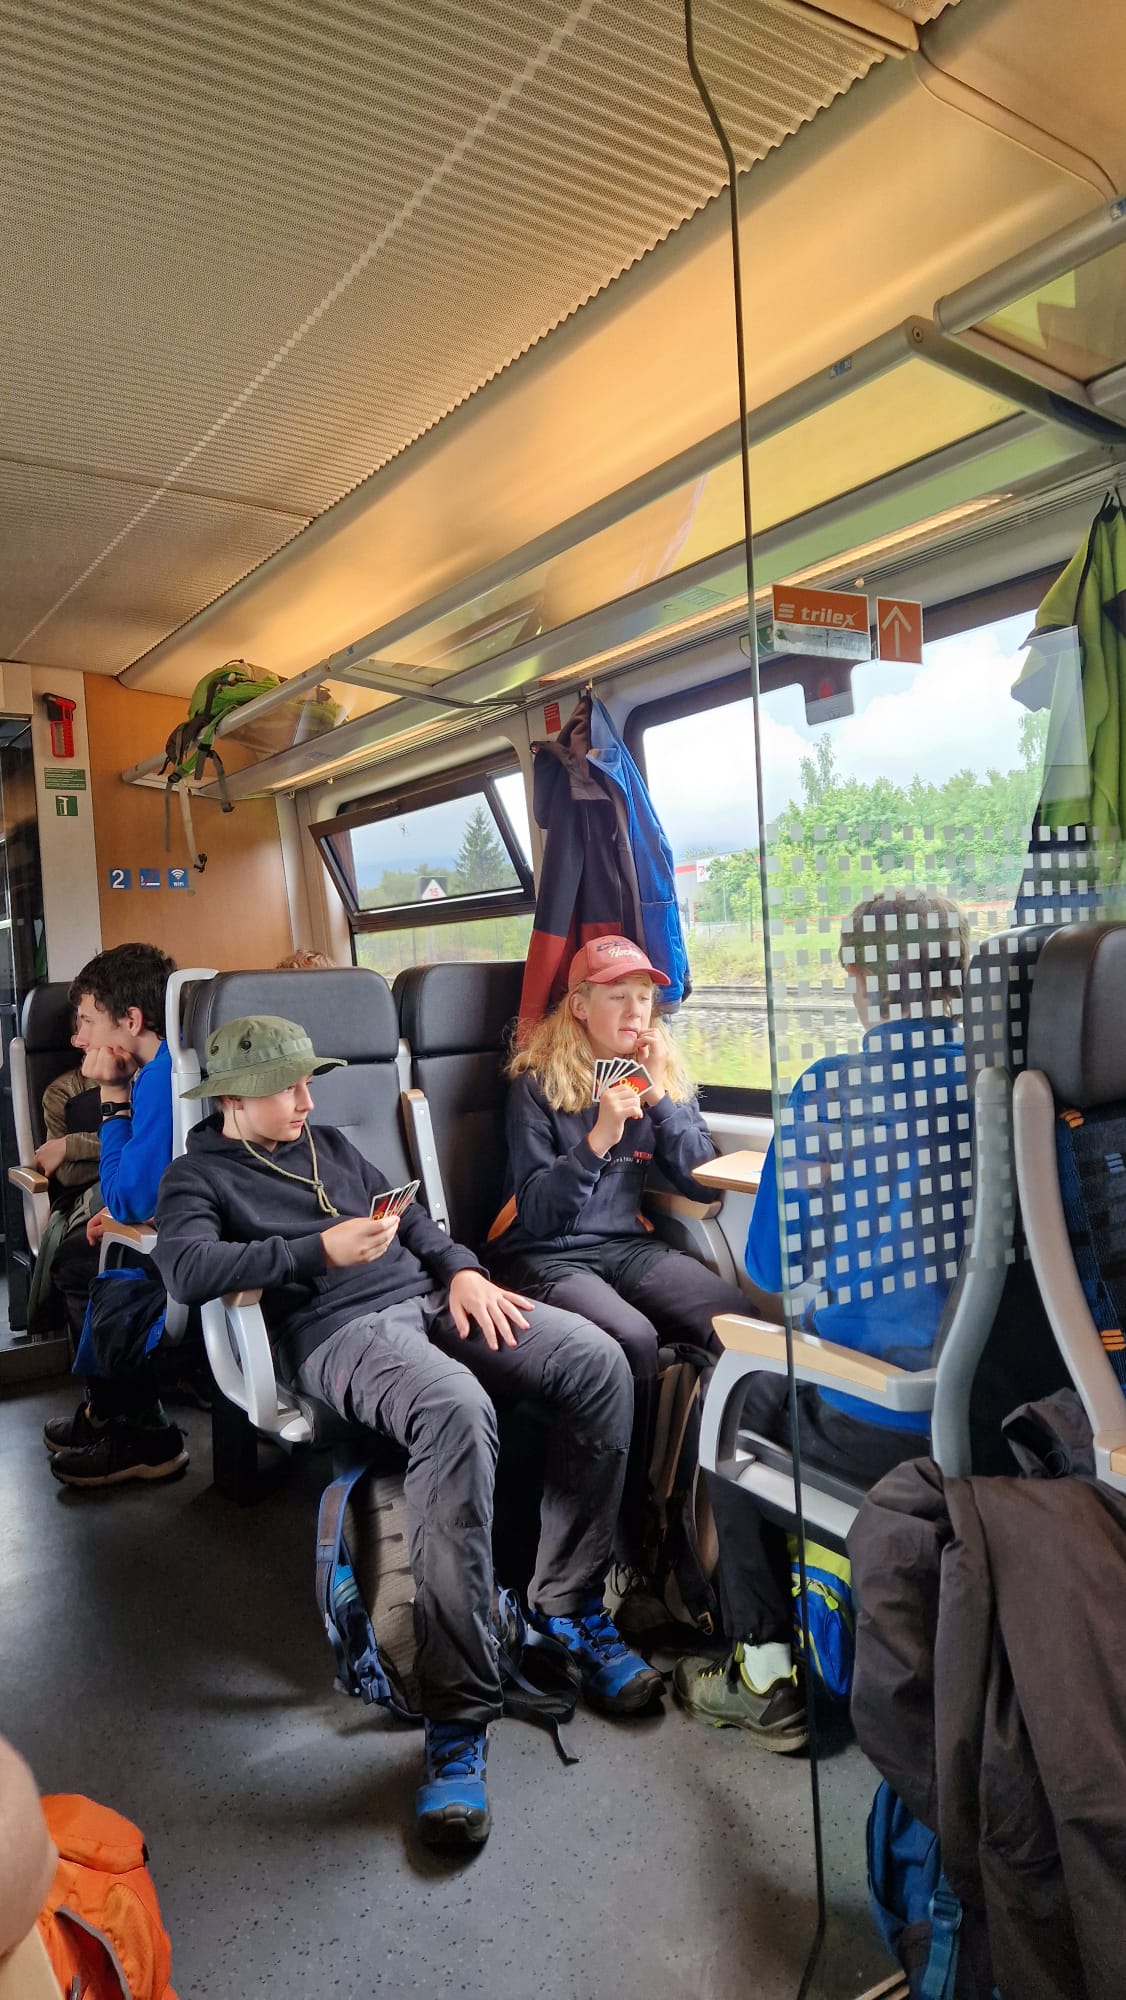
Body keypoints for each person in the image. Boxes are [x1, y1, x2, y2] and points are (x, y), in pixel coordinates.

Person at [152, 1014, 662, 1850]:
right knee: (456, 1408)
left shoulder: (330, 1147)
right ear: (233, 1099)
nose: (307, 1101)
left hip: (430, 1299)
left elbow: (415, 1221)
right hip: (337, 1332)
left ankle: (566, 1605)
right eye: (288, 1088)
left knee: (597, 1361)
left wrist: (462, 1271)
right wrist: (317, 1252)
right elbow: (186, 1270)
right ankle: (457, 1713)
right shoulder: (196, 1176)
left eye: (308, 1083)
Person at [674, 888, 972, 1750]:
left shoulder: (826, 1094)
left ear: (858, 979)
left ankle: (764, 1671)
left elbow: (770, 1270)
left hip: (877, 1425)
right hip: (991, 1417)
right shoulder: (1011, 1089)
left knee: (732, 1396)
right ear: (959, 974)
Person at [491, 934, 749, 1562]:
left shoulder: (653, 1078)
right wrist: (599, 1138)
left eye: (645, 997)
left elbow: (701, 1182)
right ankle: (624, 1525)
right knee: (632, 1339)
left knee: (736, 1320)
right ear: (580, 1006)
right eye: (618, 996)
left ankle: (701, 1506)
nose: (637, 1011)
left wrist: (659, 1098)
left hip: (626, 1247)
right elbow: (540, 1213)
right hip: (548, 1254)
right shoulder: (537, 1086)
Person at [44, 942, 187, 1488]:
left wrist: (110, 1094)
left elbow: (128, 1199)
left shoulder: (156, 1078)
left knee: (78, 1266)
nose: (78, 1039)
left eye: (87, 1021)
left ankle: (146, 1433)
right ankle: (107, 1412)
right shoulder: (177, 1060)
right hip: (199, 1228)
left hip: (182, 1251)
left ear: (130, 1020)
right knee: (92, 1247)